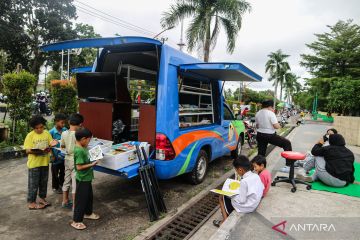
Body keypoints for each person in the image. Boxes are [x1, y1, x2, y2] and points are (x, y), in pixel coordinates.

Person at [213, 155, 264, 227]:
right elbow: (262, 187)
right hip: (254, 203)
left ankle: (224, 221)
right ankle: (225, 217)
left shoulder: (244, 181)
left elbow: (242, 200)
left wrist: (231, 195)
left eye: (236, 170)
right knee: (228, 196)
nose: (236, 172)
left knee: (221, 197)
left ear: (240, 170)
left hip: (247, 207)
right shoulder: (256, 176)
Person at [24, 115, 58, 210]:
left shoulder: (47, 133)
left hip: (44, 162)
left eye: (41, 127)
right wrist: (40, 151)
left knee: (44, 182)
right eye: (37, 128)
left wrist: (53, 144)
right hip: (34, 164)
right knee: (33, 184)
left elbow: (51, 143)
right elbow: (27, 150)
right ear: (33, 128)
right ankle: (31, 202)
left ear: (44, 125)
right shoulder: (30, 135)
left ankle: (42, 199)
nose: (39, 129)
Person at [71, 128, 100, 230]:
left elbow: (85, 159)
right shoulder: (79, 151)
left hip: (87, 177)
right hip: (82, 178)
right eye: (88, 140)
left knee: (89, 197)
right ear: (83, 139)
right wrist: (92, 164)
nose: (89, 142)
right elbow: (78, 167)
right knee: (81, 200)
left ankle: (88, 213)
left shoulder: (83, 147)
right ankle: (76, 221)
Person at [255, 100, 292, 165]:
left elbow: (257, 126)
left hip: (259, 135)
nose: (272, 109)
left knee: (261, 153)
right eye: (272, 107)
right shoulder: (270, 113)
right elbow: (276, 126)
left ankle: (259, 167)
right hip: (269, 135)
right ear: (269, 106)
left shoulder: (258, 113)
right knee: (287, 143)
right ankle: (289, 164)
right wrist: (280, 124)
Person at [61, 113, 84, 209]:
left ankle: (65, 201)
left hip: (67, 159)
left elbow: (62, 146)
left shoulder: (64, 133)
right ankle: (75, 205)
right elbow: (82, 146)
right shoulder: (79, 135)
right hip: (75, 160)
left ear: (69, 122)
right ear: (80, 124)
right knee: (75, 183)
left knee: (66, 180)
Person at [49, 113, 68, 194]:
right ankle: (55, 187)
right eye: (62, 122)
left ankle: (61, 185)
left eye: (64, 123)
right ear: (56, 122)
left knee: (63, 172)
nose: (63, 124)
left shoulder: (65, 130)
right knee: (55, 173)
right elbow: (49, 145)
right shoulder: (51, 132)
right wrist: (52, 155)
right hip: (55, 157)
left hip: (63, 156)